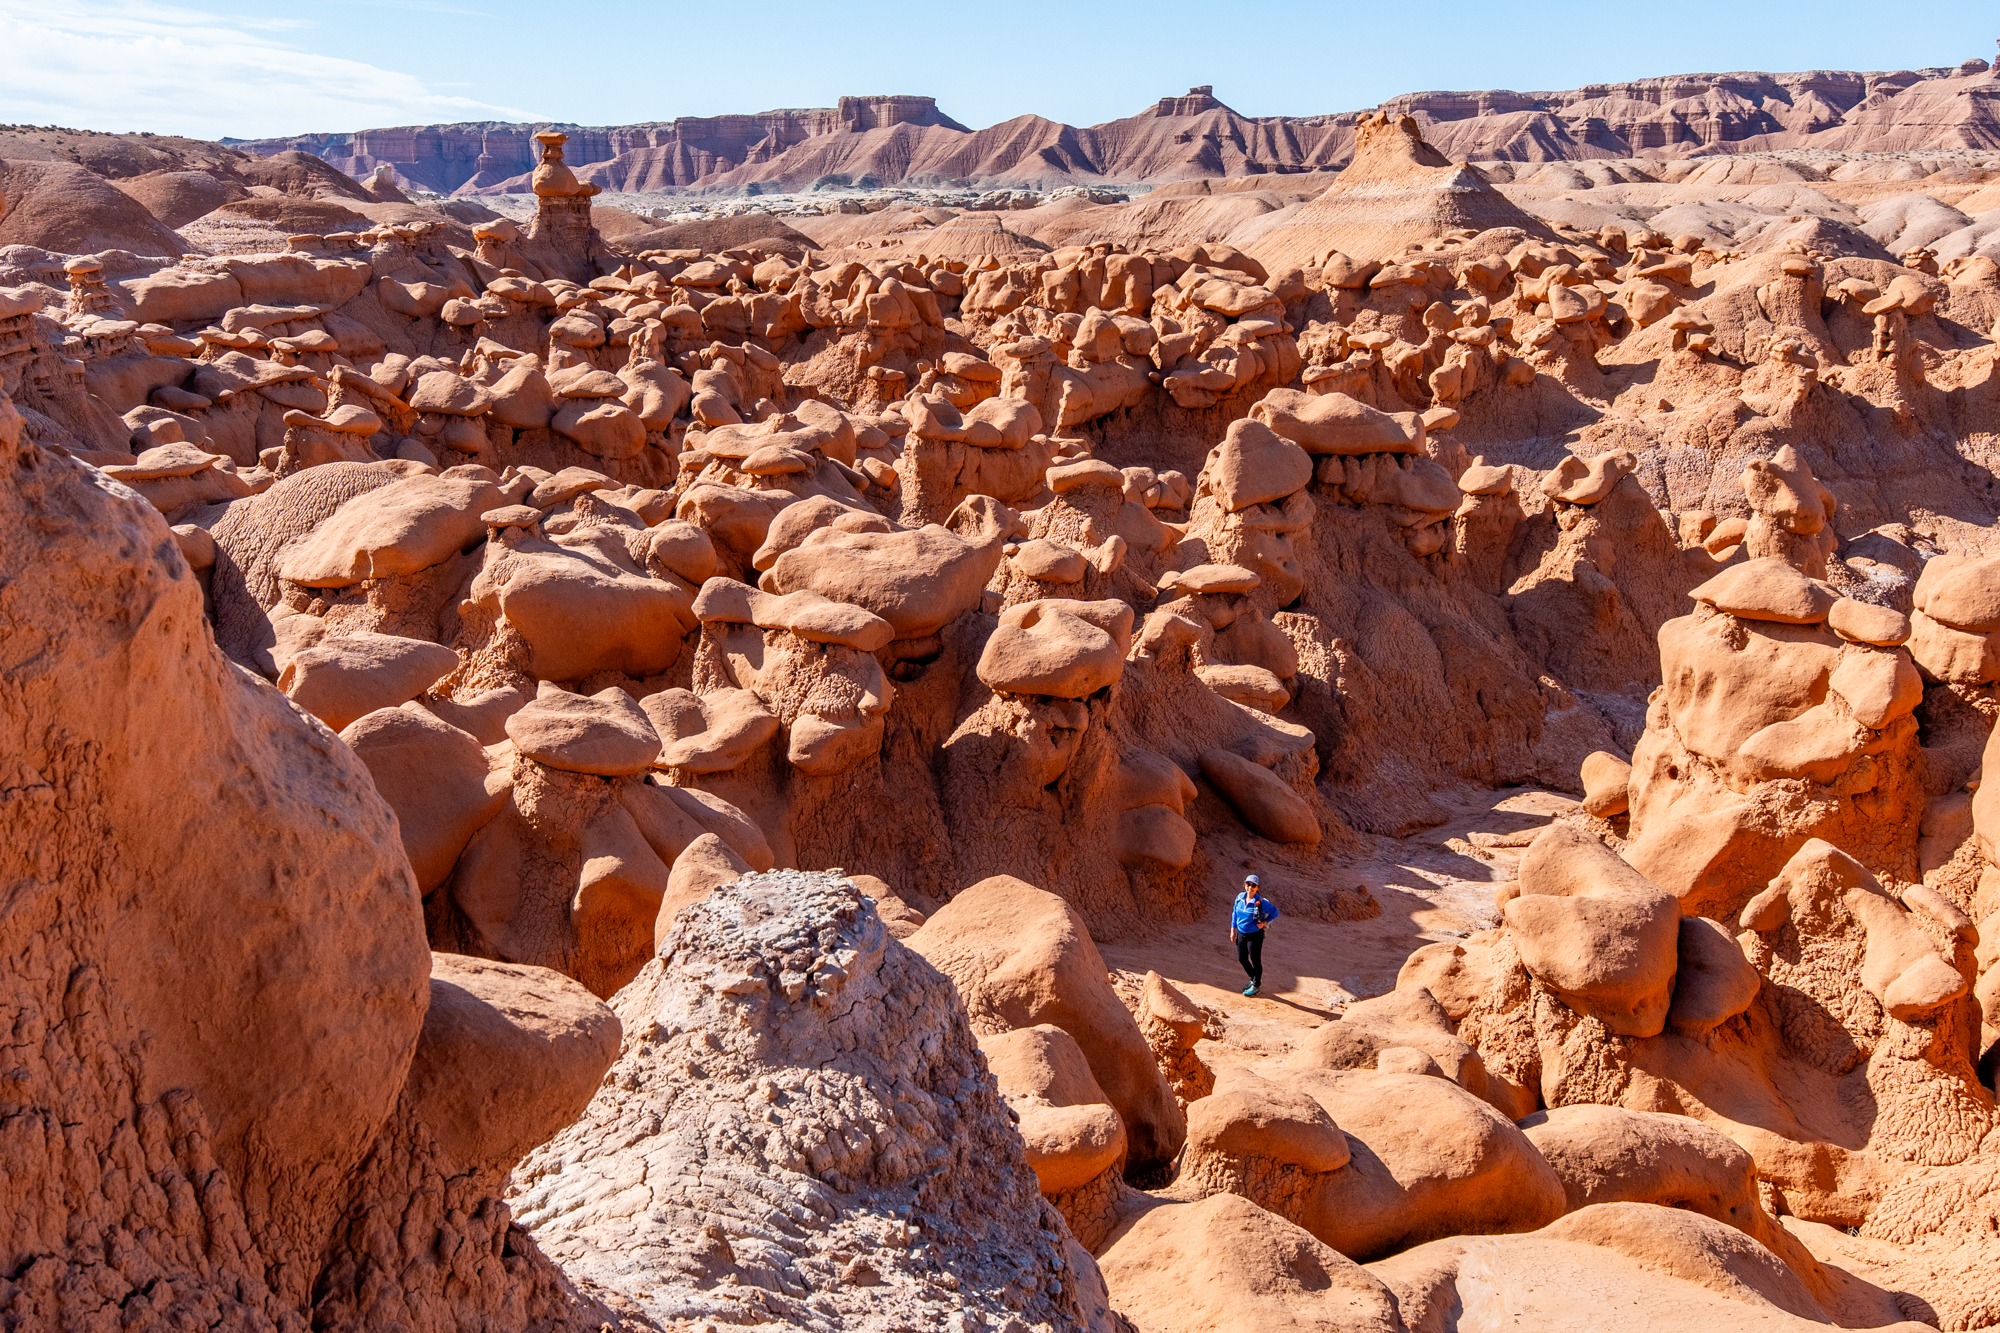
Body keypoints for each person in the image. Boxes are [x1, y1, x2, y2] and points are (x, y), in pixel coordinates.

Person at [1230, 873, 1279, 996]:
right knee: (1242, 958)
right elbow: (1234, 913)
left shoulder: (1261, 902)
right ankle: (1254, 979)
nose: (1250, 887)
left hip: (1255, 935)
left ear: (1257, 888)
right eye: (1248, 884)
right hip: (1241, 933)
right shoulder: (1239, 898)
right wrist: (1233, 929)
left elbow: (1275, 912)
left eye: (1253, 885)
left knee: (1255, 959)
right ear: (1244, 885)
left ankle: (1256, 985)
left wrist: (1265, 922)